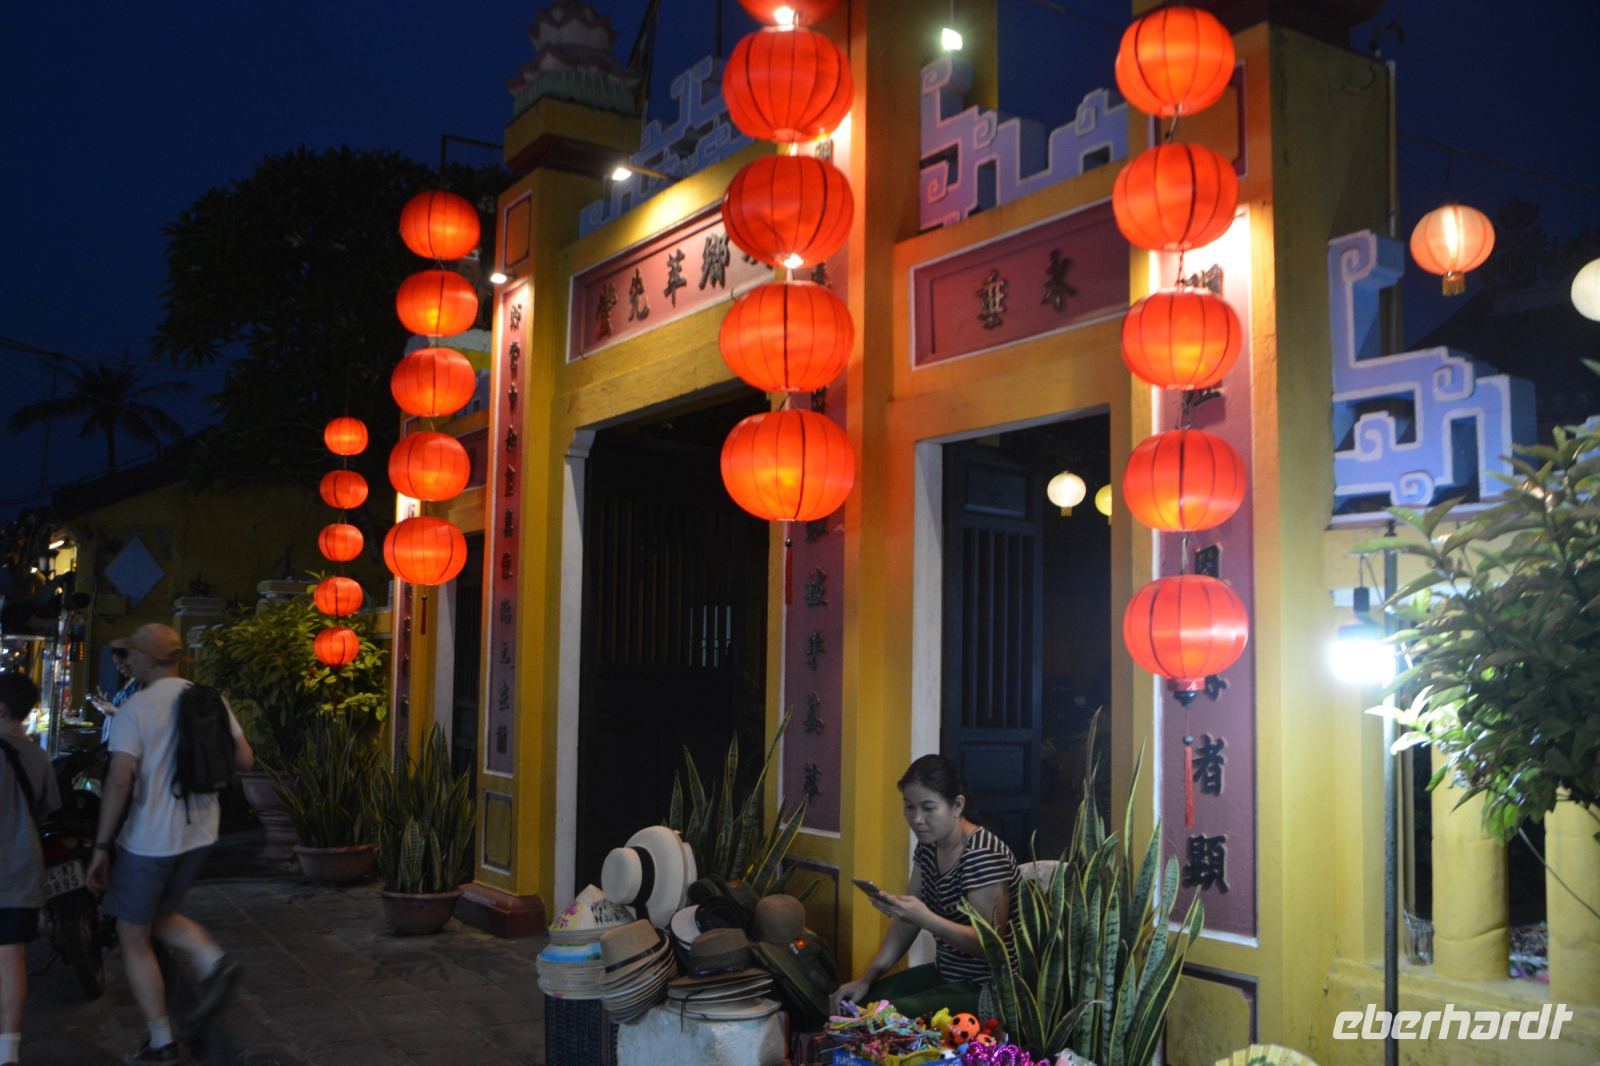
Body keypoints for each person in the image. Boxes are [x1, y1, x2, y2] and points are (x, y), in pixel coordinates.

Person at [85, 624, 253, 1065]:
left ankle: (161, 1043)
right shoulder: (208, 698)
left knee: (132, 933)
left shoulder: (135, 710)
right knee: (160, 915)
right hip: (201, 832)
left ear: (147, 659)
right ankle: (213, 964)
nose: (127, 662)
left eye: (131, 655)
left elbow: (120, 779)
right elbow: (244, 759)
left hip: (150, 839)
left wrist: (102, 845)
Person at [831, 754, 1019, 1018]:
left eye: (928, 808)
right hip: (946, 975)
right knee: (858, 1004)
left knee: (880, 1018)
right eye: (909, 807)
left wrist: (926, 918)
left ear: (957, 806)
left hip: (988, 990)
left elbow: (989, 944)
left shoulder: (983, 854)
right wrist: (866, 978)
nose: (917, 819)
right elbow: (908, 923)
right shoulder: (928, 846)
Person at [0, 672, 61, 1066]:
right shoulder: (38, 756)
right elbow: (48, 809)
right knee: (11, 959)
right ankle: (9, 1053)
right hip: (20, 870)